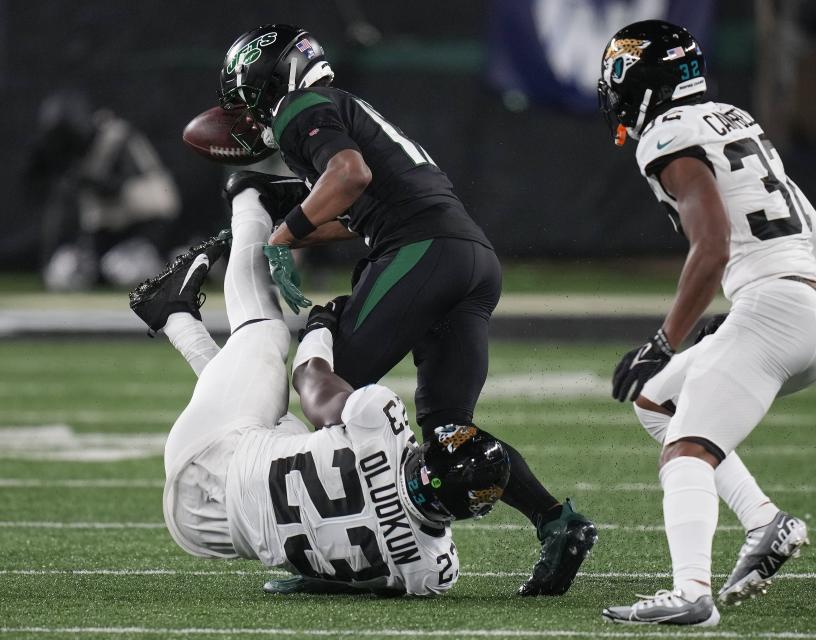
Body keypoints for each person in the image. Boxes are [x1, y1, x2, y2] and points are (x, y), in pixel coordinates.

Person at [214, 23, 597, 596]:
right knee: (449, 431)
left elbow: (349, 175)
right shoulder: (346, 107)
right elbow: (362, 211)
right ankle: (556, 521)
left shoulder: (302, 107)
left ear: (269, 80)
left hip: (424, 251)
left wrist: (281, 236)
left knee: (330, 392)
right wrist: (288, 229)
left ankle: (344, 558)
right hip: (469, 256)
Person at [595, 20, 816, 626]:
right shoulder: (732, 117)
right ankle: (765, 521)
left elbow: (712, 247)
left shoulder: (665, 135)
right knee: (658, 402)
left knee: (686, 451)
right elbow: (814, 232)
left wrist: (664, 340)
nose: (620, 100)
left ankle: (691, 593)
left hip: (774, 314)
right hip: (808, 307)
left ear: (646, 82)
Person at [128, 186, 512, 596]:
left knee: (265, 333)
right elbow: (372, 580)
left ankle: (246, 202)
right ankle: (176, 318)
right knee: (276, 421)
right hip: (209, 531)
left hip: (210, 455)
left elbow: (309, 379)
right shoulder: (432, 570)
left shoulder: (379, 422)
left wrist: (320, 327)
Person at [24, 91, 181, 290]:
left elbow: (118, 185)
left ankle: (174, 261)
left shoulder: (115, 135)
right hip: (106, 227)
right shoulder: (72, 154)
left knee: (125, 271)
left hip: (146, 220)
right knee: (70, 273)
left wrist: (82, 180)